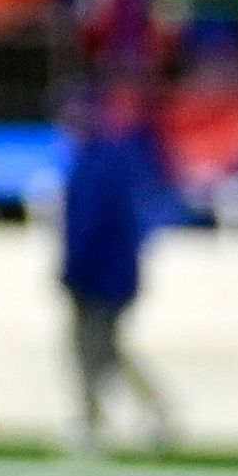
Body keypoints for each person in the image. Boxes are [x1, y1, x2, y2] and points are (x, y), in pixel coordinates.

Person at [58, 79, 183, 456]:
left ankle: (93, 422)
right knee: (102, 349)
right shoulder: (104, 161)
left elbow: (90, 229)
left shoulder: (96, 164)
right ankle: (142, 411)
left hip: (99, 278)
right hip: (108, 276)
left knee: (90, 350)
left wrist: (75, 271)